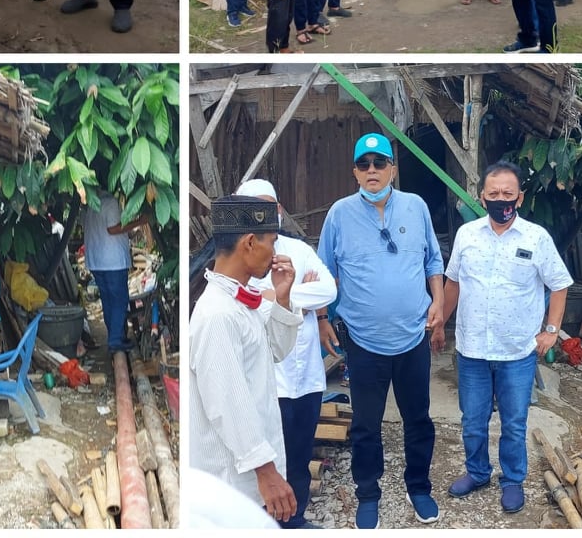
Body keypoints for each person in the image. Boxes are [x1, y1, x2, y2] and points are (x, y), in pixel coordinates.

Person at [317, 132, 444, 529]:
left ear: (393, 167)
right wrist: (321, 318)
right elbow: (322, 275)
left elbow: (432, 261)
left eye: (380, 162)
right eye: (364, 164)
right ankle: (368, 493)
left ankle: (418, 487)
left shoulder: (416, 207)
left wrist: (438, 303)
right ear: (355, 172)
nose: (372, 170)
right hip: (364, 343)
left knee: (418, 418)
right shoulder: (339, 214)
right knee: (366, 425)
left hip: (412, 338)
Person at [432, 161, 573, 514]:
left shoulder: (536, 238)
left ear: (520, 197)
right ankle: (478, 473)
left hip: (517, 352)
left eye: (508, 194)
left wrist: (551, 331)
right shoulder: (467, 235)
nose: (500, 200)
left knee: (513, 422)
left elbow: (559, 285)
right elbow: (454, 284)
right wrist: (439, 325)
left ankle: (512, 480)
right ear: (482, 196)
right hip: (472, 350)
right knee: (473, 421)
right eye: (493, 194)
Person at [190, 195, 302, 523]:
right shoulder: (218, 314)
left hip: (249, 470)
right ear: (250, 243)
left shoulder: (241, 302)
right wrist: (266, 473)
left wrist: (282, 296)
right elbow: (228, 404)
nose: (276, 253)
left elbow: (277, 351)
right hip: (233, 478)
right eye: (272, 241)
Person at [242, 178, 337, 530]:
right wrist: (297, 294)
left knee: (299, 456)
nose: (267, 216)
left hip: (308, 378)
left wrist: (282, 296)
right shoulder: (245, 260)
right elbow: (251, 303)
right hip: (271, 383)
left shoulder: (299, 250)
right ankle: (265, 524)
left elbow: (328, 288)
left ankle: (294, 519)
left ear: (279, 211)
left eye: (271, 208)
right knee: (270, 461)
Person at [82, 192, 149, 354]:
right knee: (119, 300)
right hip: (112, 261)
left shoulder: (92, 202)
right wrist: (139, 222)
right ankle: (115, 341)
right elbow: (113, 229)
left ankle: (116, 336)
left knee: (108, 301)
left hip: (96, 260)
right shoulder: (111, 202)